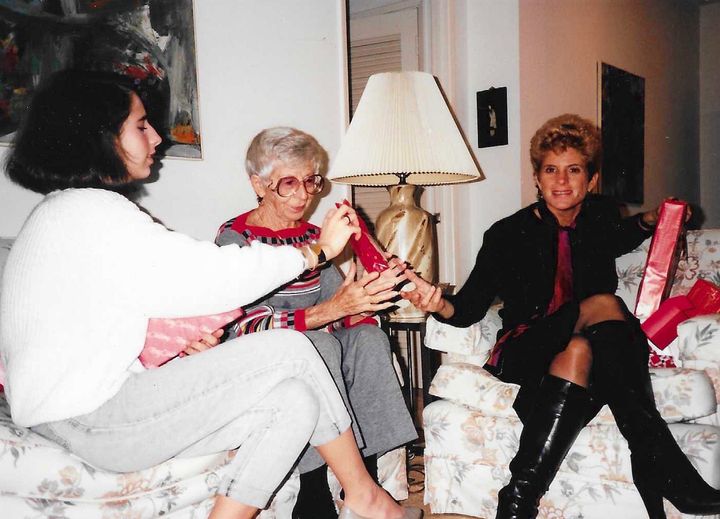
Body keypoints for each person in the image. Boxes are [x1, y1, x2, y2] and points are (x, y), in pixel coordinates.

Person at [0, 69, 421, 519]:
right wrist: (314, 251)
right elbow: (209, 279)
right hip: (89, 419)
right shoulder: (91, 211)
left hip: (81, 412)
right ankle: (364, 495)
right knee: (294, 351)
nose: (158, 137)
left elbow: (115, 316)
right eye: (141, 125)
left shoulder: (64, 213)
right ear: (100, 136)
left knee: (294, 401)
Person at [401, 113, 720, 519]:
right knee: (605, 304)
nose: (562, 181)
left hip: (582, 349)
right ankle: (664, 470)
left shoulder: (601, 216)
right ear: (536, 178)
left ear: (591, 179)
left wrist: (651, 220)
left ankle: (517, 501)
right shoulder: (506, 233)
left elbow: (622, 235)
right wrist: (436, 303)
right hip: (525, 344)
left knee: (579, 348)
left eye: (574, 170)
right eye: (550, 170)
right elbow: (467, 308)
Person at [215, 127, 418, 519]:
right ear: (258, 184)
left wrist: (370, 291)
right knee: (320, 347)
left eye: (310, 181)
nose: (304, 195)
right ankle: (312, 497)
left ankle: (363, 486)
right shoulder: (235, 239)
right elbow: (238, 326)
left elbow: (339, 308)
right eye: (289, 183)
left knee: (369, 339)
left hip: (307, 349)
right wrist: (329, 314)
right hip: (254, 362)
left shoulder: (312, 235)